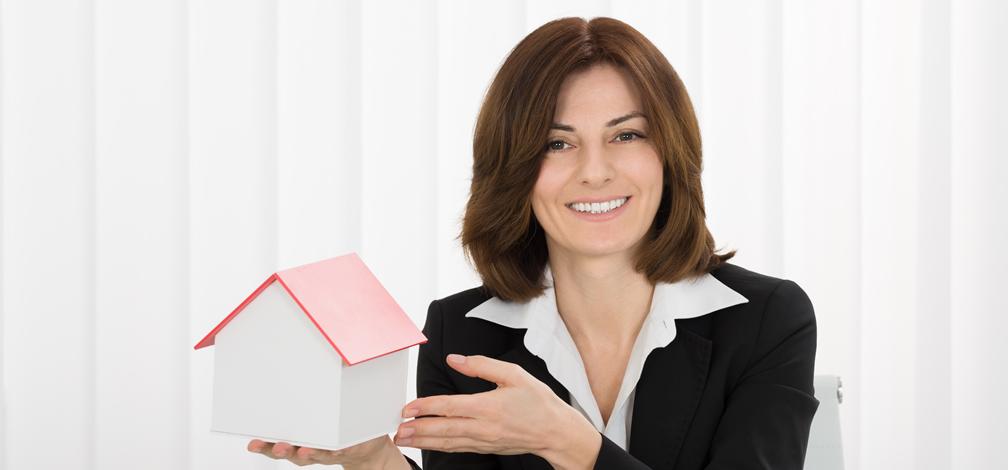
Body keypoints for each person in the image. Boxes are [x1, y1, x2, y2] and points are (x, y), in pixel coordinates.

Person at [247, 16, 819, 470]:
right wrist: (374, 463)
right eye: (557, 144)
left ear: (669, 154)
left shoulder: (767, 320)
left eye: (626, 135)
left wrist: (571, 445)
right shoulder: (460, 334)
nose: (595, 172)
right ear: (514, 168)